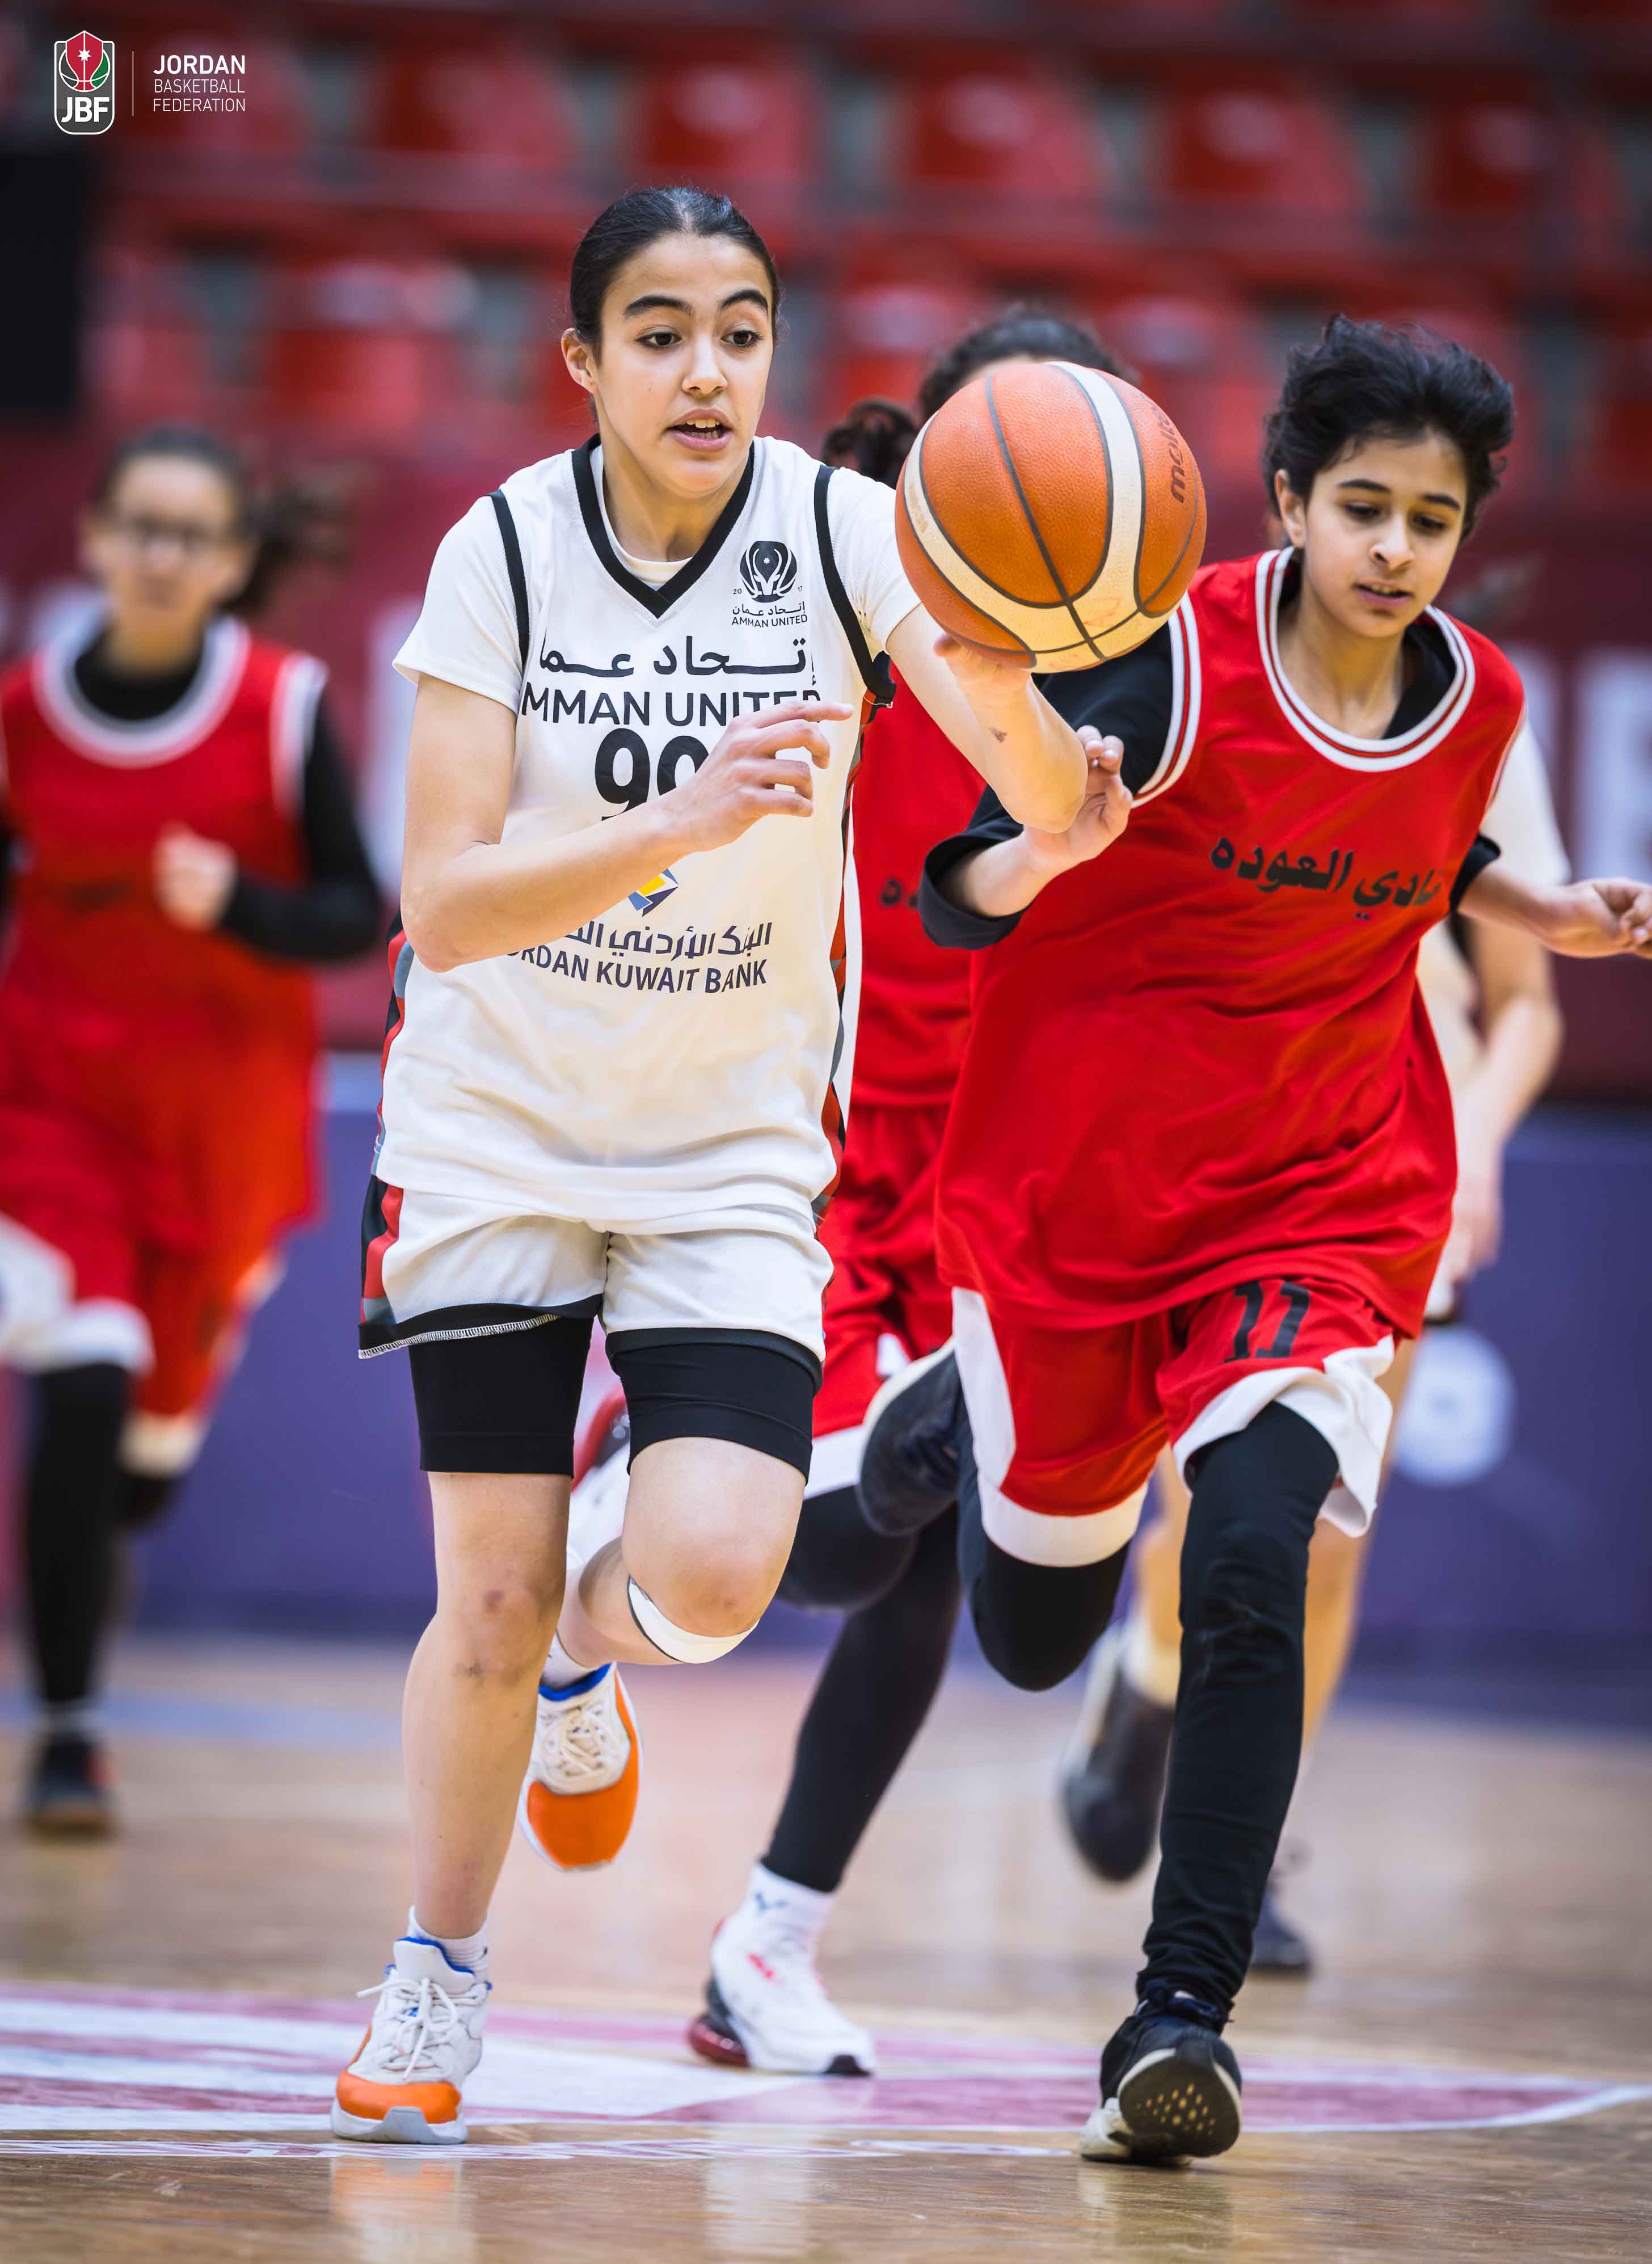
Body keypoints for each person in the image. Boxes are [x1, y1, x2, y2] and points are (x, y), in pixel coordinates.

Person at [855, 315, 1652, 2165]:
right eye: (1364, 507)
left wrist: (1554, 911)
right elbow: (953, 889)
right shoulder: (1164, 656)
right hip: (1083, 1198)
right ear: (1291, 502)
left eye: (1433, 520)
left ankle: (1180, 2022)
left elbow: (1437, 854)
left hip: (1324, 1190)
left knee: (1252, 1560)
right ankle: (963, 1417)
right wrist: (1049, 843)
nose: (1396, 548)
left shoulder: (1480, 703)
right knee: (1040, 1634)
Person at [332, 188, 1091, 2147]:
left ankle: (585, 1668)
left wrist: (1060, 778)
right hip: (495, 1125)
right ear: (583, 361)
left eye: (741, 331)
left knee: (721, 1572)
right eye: (660, 332)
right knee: (482, 1598)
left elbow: (1021, 769)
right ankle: (437, 1969)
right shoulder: (502, 547)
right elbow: (445, 901)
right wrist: (675, 819)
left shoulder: (843, 534)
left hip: (731, 1149)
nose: (706, 370)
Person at [546, 310, 1128, 2081]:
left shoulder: (1138, 665)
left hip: (1002, 1182)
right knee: (843, 1545)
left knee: (921, 1559)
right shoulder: (835, 608)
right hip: (816, 1150)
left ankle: (767, 1947)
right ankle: (609, 1532)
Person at [1060, 697, 1569, 1968]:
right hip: (1235, 1133)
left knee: (1323, 1546)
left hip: (1401, 1156)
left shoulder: (1483, 728)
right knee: (1206, 1518)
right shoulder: (1220, 681)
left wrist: (1478, 1142)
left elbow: (1529, 1001)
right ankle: (1151, 1669)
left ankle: (1250, 1847)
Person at [0, 426, 383, 1834]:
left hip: (221, 1131)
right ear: (96, 539)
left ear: (230, 561)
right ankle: (68, 1733)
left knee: (137, 1474)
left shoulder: (281, 708)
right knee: (83, 1375)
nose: (161, 554)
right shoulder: (23, 714)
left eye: (192, 533)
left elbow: (357, 911)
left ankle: (87, 1580)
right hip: (50, 1114)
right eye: (140, 526)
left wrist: (238, 902)